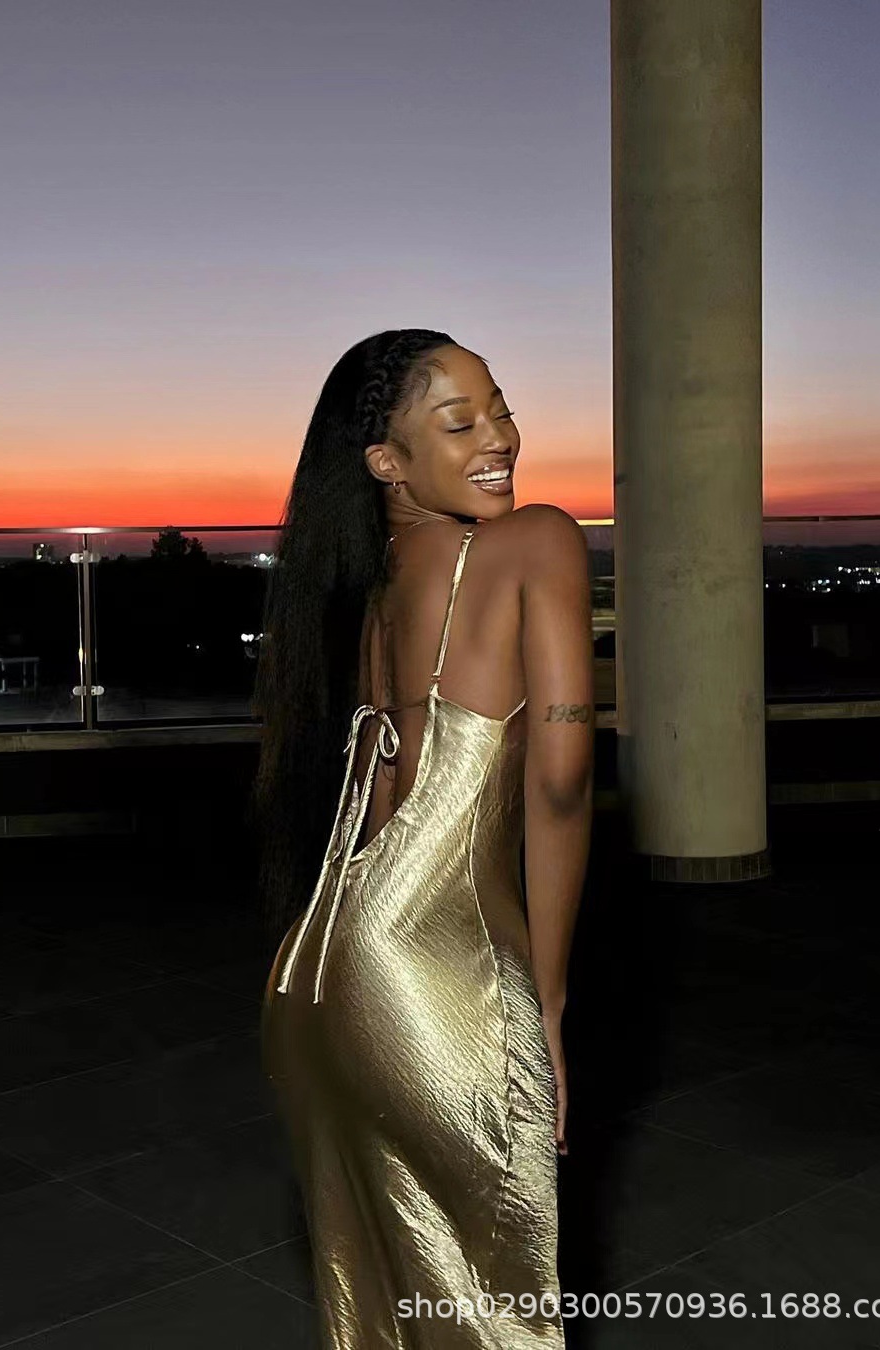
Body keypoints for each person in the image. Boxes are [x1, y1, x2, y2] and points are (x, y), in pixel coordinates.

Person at [252, 329, 594, 1348]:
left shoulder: (373, 588)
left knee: (379, 1300)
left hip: (316, 975)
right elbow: (562, 783)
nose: (501, 437)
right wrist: (548, 1004)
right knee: (493, 1311)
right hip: (431, 983)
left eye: (501, 409)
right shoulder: (538, 541)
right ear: (386, 461)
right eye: (460, 422)